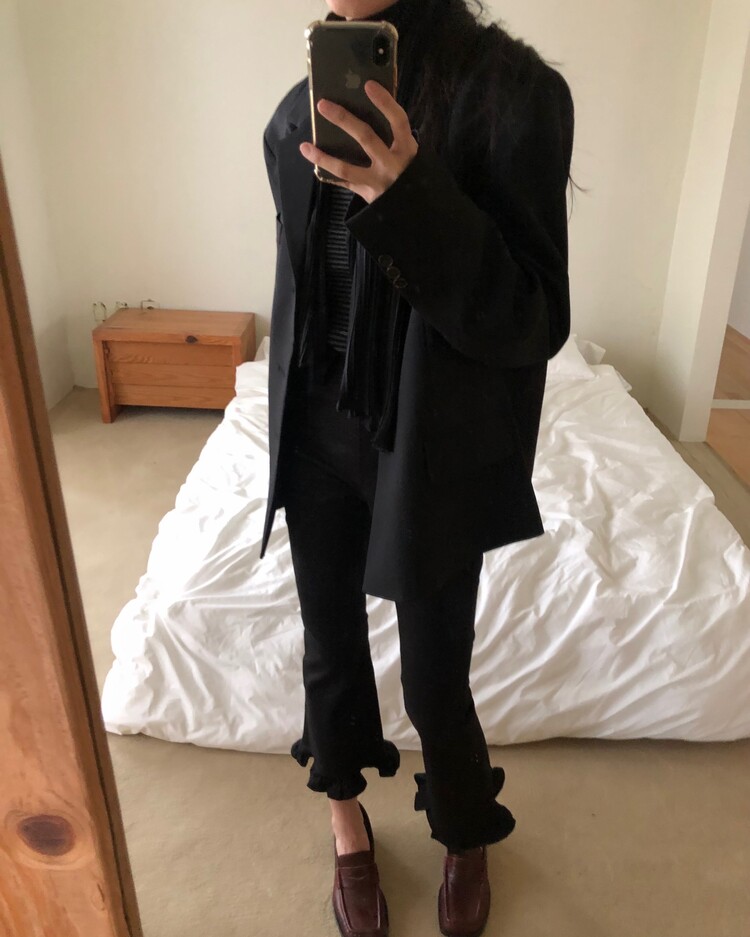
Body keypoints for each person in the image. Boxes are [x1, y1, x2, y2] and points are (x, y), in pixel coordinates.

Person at [261, 1, 575, 934]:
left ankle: (464, 829)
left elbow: (532, 318)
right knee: (329, 647)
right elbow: (302, 277)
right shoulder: (302, 101)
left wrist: (412, 198)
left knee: (437, 672)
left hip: (431, 438)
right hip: (316, 426)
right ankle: (345, 819)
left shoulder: (515, 95)